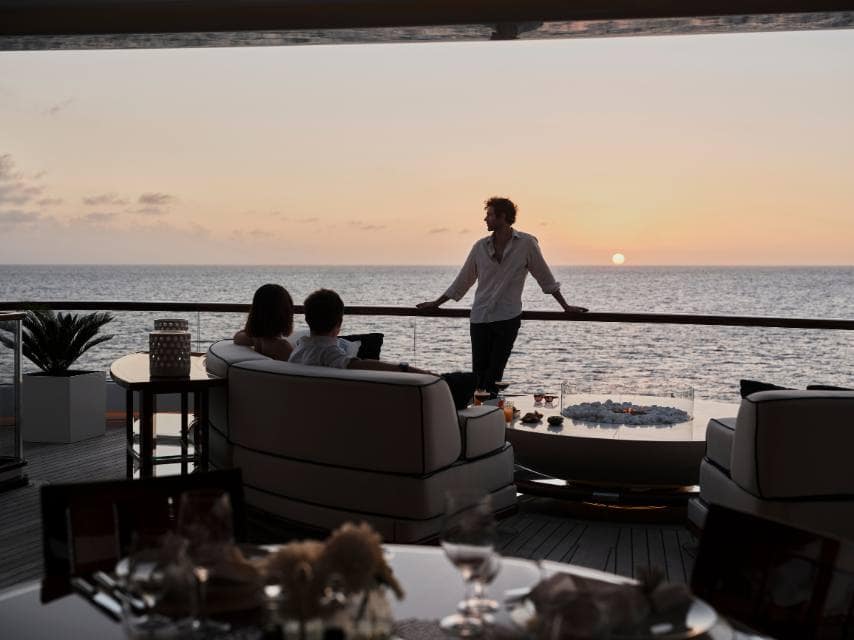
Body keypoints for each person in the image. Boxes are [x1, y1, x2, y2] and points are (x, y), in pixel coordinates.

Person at [417, 197, 588, 394]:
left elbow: (545, 277)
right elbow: (463, 280)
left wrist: (565, 307)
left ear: (503, 216)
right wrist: (436, 303)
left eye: (489, 215)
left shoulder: (526, 244)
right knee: (478, 375)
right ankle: (480, 411)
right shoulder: (480, 247)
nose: (485, 219)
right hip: (480, 318)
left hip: (507, 319)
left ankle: (488, 410)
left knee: (494, 375)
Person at [290, 289, 474, 409]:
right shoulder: (330, 354)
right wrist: (408, 369)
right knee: (462, 382)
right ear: (339, 322)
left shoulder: (297, 352)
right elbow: (357, 365)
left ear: (307, 319)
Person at [233, 283, 295, 361]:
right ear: (286, 313)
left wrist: (254, 326)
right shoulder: (283, 347)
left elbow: (237, 336)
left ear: (254, 312)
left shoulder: (252, 339)